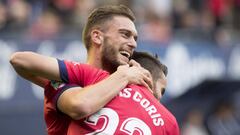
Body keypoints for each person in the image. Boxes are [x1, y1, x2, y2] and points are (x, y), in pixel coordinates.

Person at [10, 5, 179, 134]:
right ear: (97, 36)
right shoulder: (73, 81)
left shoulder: (136, 93)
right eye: (125, 34)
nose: (133, 43)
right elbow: (19, 60)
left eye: (135, 38)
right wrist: (124, 76)